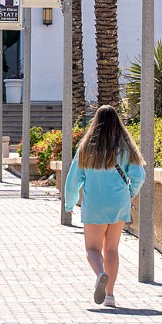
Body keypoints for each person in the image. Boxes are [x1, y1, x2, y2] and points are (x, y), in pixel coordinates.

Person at [63, 104, 146, 310]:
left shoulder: (86, 149)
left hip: (94, 205)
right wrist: (130, 193)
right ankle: (109, 295)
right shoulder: (126, 148)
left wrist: (69, 203)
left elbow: (74, 180)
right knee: (112, 250)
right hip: (118, 204)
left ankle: (101, 274)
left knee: (92, 249)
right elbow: (139, 176)